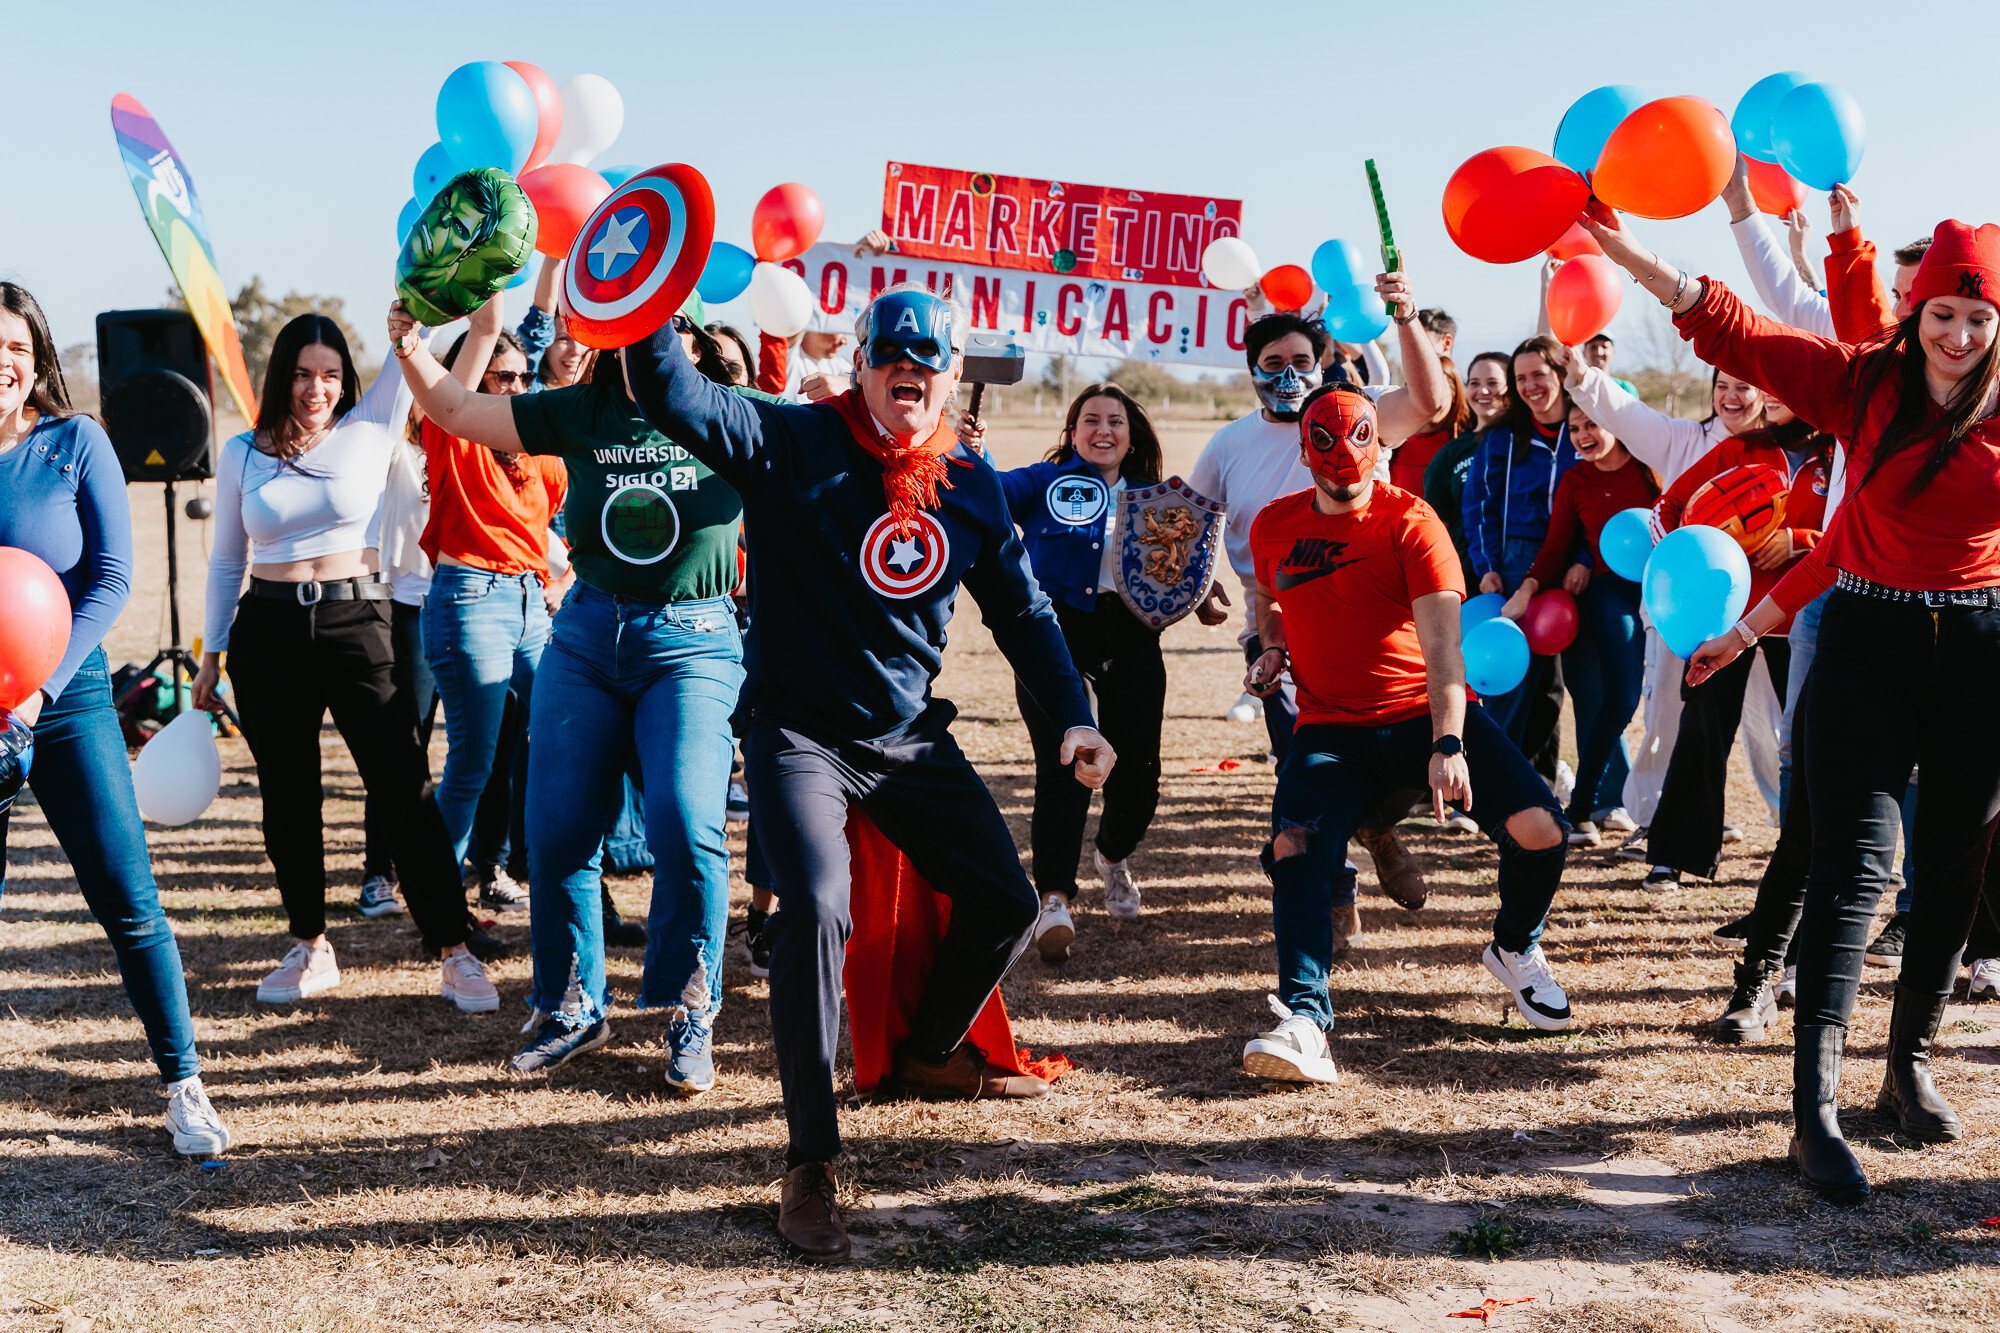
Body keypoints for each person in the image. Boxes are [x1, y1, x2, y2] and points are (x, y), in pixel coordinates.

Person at [622, 282, 1115, 1263]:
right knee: (812, 907)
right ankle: (810, 1159)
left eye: (926, 365)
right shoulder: (790, 440)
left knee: (1006, 900)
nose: (910, 377)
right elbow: (671, 393)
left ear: (948, 377)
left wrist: (1072, 718)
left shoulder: (969, 485)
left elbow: (1024, 619)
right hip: (797, 735)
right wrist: (639, 295)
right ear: (860, 365)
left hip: (904, 739)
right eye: (892, 360)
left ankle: (928, 1053)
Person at [1588, 210, 2000, 1204]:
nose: (1955, 336)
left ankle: (1906, 1067)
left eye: (1976, 320)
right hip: (1864, 643)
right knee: (1853, 867)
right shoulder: (1865, 383)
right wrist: (1622, 251)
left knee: (1950, 866)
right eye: (1940, 314)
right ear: (1913, 314)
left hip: (1980, 653)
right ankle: (1811, 1112)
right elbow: (1721, 320)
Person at [389, 301, 763, 1090]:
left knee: (686, 820)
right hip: (588, 635)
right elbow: (455, 410)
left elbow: (845, 441)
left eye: (668, 332)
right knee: (557, 830)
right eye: (629, 333)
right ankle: (570, 1004)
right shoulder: (580, 409)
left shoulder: (738, 417)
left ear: (690, 344)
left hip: (693, 641)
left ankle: (692, 1002)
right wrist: (409, 345)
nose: (648, 345)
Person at [1240, 382, 1575, 1085]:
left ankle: (1516, 947)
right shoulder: (1272, 524)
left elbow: (1446, 651)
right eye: (1326, 441)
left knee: (1543, 828)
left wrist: (1448, 743)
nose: (1344, 455)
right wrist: (1270, 648)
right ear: (1304, 452)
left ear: (1379, 441)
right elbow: (1269, 600)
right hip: (1329, 725)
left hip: (1424, 713)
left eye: (1361, 436)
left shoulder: (1412, 522)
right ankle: (1304, 1017)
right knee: (1293, 847)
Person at [191, 315, 497, 1012]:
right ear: (281, 377)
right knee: (287, 796)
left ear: (347, 378)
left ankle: (454, 949)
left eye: (329, 373)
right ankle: (309, 944)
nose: (315, 387)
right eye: (302, 373)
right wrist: (211, 652)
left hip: (358, 619)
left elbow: (441, 337)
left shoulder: (372, 420)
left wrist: (472, 308)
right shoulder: (242, 451)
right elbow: (227, 560)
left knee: (402, 787)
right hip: (266, 630)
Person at [0, 282, 231, 1155]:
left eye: (16, 346)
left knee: (128, 900)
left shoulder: (74, 441)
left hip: (64, 701)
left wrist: (37, 691)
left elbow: (109, 579)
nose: (4, 362)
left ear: (38, 357)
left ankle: (184, 1086)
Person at [1190, 288, 1452, 939]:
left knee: (1400, 761)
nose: (1288, 373)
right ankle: (1339, 890)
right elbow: (1188, 522)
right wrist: (1200, 585)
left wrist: (1405, 317)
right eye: (1271, 361)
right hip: (1279, 635)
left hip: (1378, 630)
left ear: (1323, 360)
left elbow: (1428, 403)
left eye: (1300, 359)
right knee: (1303, 768)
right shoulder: (1228, 445)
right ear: (1250, 370)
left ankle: (1377, 826)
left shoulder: (1355, 417)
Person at [1566, 356, 1784, 845]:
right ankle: (1649, 817)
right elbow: (1626, 415)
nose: (1732, 397)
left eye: (1744, 386)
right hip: (1680, 609)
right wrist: (1582, 376)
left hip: (1762, 608)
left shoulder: (1782, 450)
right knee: (1666, 709)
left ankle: (1784, 814)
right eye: (1722, 385)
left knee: (1767, 717)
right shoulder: (1683, 441)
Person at [994, 384, 1168, 957]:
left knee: (1139, 775)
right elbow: (984, 494)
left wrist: (1203, 594)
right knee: (1063, 764)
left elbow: (1180, 564)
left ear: (1131, 432)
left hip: (1133, 637)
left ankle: (1113, 856)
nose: (1103, 431)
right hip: (1055, 633)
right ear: (1072, 432)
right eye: (1089, 420)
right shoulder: (1044, 482)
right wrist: (971, 452)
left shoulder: (1154, 496)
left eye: (1115, 421)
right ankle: (1053, 901)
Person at [1637, 408, 1831, 889]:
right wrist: (1700, 552)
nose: (1772, 393)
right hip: (1725, 618)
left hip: (1803, 621)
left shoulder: (1842, 453)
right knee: (1702, 733)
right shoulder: (1738, 449)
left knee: (1817, 744)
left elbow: (1862, 530)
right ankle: (1674, 855)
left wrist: (1799, 540)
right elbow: (1668, 508)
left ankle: (1828, 861)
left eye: (1785, 383)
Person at [416, 299, 568, 902]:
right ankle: (440, 903)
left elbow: (564, 531)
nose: (518, 387)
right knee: (473, 763)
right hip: (470, 600)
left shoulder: (540, 450)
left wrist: (558, 579)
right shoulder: (454, 434)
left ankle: (560, 880)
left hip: (532, 603)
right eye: (504, 377)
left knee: (565, 734)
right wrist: (487, 309)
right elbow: (452, 383)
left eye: (525, 377)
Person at [1500, 404, 1657, 846]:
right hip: (1610, 598)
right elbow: (1555, 546)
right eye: (1574, 429)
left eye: (1592, 424)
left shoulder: (1651, 468)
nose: (1583, 435)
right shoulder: (1576, 480)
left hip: (1666, 590)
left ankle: (1648, 809)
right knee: (1620, 699)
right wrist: (1528, 588)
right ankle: (1584, 807)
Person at [1460, 337, 1577, 772]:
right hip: (1515, 560)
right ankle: (1487, 780)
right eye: (1521, 377)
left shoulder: (1584, 428)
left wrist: (1582, 559)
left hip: (1572, 562)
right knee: (1511, 683)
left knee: (1554, 683)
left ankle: (1543, 778)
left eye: (1539, 375)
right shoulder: (1501, 438)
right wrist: (1488, 567)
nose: (1530, 386)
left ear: (1560, 376)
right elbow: (1480, 507)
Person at [1425, 350, 1512, 590]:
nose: (1483, 391)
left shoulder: (1527, 444)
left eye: (1493, 383)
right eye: (1474, 383)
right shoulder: (1450, 454)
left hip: (1524, 573)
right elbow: (1435, 527)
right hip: (1467, 578)